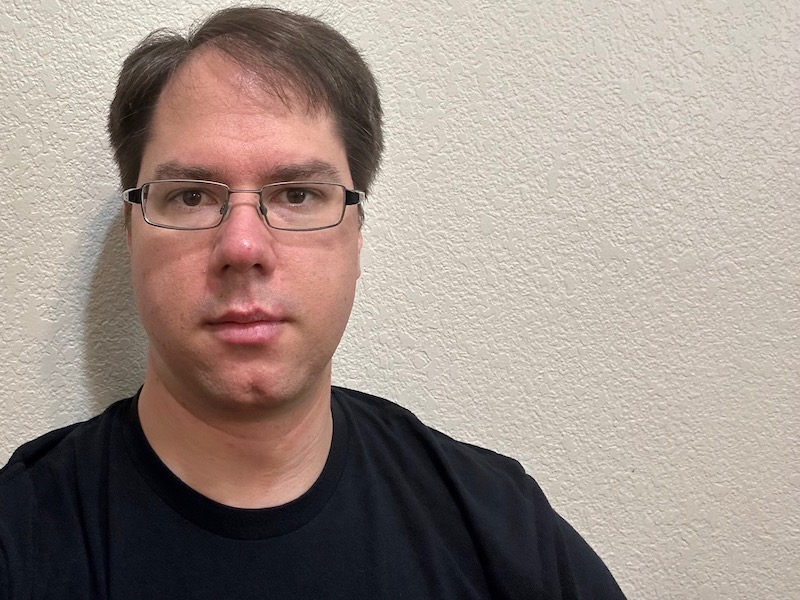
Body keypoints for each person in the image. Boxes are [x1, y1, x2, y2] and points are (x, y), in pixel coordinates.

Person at [0, 6, 626, 598]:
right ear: (132, 232)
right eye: (190, 196)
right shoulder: (22, 535)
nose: (243, 246)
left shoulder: (504, 530)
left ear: (357, 233)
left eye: (297, 195)